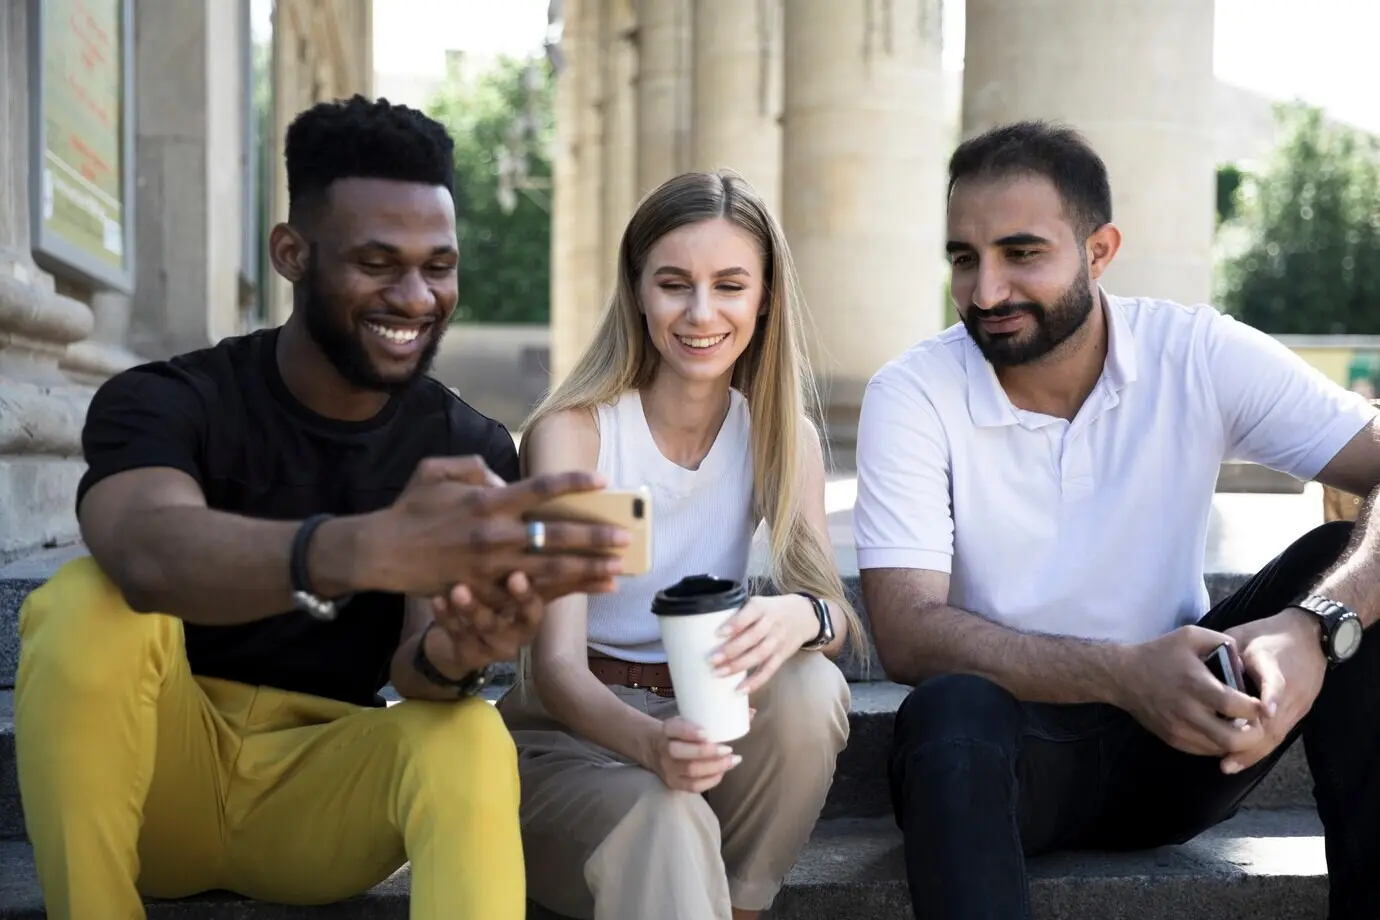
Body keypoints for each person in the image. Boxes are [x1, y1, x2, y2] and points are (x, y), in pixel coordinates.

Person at [14, 96, 629, 920]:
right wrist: (358, 549)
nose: (415, 297)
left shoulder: (465, 443)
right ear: (292, 253)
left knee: (471, 737)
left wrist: (458, 651)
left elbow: (419, 670)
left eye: (438, 265)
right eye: (377, 262)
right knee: (87, 603)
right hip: (153, 778)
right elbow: (144, 553)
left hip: (321, 802)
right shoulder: (169, 399)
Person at [853, 120, 1380, 920]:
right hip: (1002, 758)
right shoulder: (913, 392)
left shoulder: (1195, 352)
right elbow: (906, 630)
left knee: (1345, 572)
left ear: (1099, 252)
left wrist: (1313, 630)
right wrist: (1125, 672)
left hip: (1185, 747)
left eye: (1021, 253)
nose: (985, 291)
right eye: (965, 258)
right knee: (949, 712)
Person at [493, 170, 860, 920]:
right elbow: (556, 668)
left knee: (811, 687)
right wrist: (652, 749)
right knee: (668, 815)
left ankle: (742, 906)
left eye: (729, 285)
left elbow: (838, 618)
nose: (701, 313)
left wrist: (805, 616)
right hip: (572, 736)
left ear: (765, 298)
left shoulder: (780, 438)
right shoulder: (580, 435)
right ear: (637, 292)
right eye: (673, 284)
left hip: (707, 716)